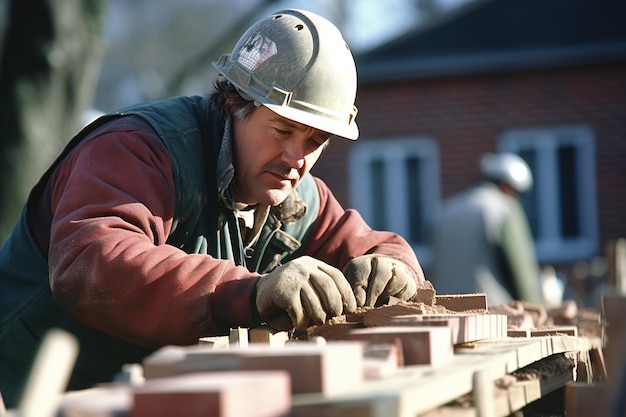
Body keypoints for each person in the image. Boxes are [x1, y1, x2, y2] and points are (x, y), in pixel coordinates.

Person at [0, 9, 424, 407]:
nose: (297, 159)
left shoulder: (296, 199)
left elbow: (367, 244)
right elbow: (91, 262)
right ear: (233, 104)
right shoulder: (136, 149)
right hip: (27, 392)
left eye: (315, 142)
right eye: (283, 129)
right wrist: (247, 292)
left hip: (135, 400)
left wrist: (394, 265)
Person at [429, 152, 543, 305]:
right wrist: (535, 307)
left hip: (446, 313)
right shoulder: (503, 209)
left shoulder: (447, 210)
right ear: (507, 186)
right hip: (492, 314)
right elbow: (521, 271)